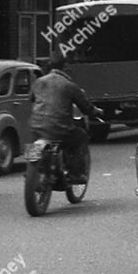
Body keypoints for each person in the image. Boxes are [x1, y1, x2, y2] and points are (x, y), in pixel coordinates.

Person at [29, 50, 102, 183]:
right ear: (65, 66)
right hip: (59, 128)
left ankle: (31, 170)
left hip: (36, 127)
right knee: (81, 137)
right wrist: (96, 112)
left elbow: (32, 98)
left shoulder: (38, 82)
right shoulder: (69, 85)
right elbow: (86, 106)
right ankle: (76, 174)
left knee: (35, 142)